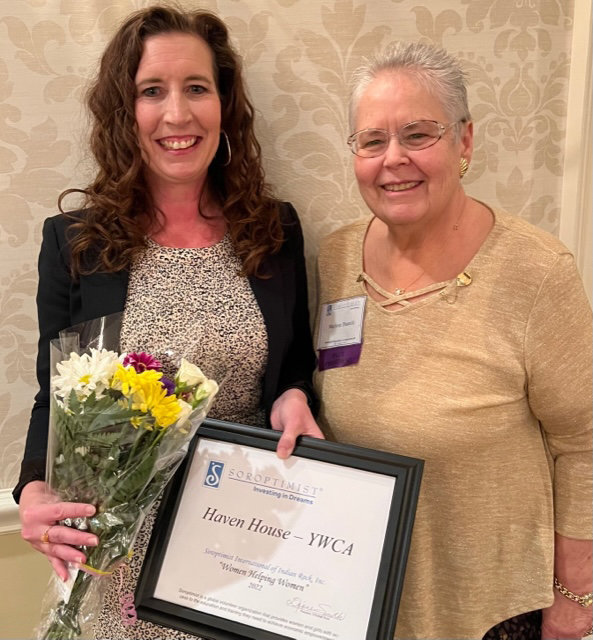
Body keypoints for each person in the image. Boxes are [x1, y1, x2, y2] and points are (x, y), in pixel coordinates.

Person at [14, 5, 322, 638]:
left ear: (224, 104)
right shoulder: (77, 242)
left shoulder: (275, 229)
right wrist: (33, 492)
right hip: (121, 551)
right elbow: (57, 397)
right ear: (125, 114)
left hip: (250, 538)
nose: (177, 114)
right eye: (152, 91)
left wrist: (294, 396)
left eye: (197, 88)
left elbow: (293, 369)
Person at [311, 42, 592, 639]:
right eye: (372, 141)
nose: (393, 160)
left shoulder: (536, 273)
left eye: (419, 134)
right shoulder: (336, 257)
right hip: (358, 599)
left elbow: (586, 445)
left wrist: (575, 600)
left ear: (464, 142)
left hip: (490, 610)